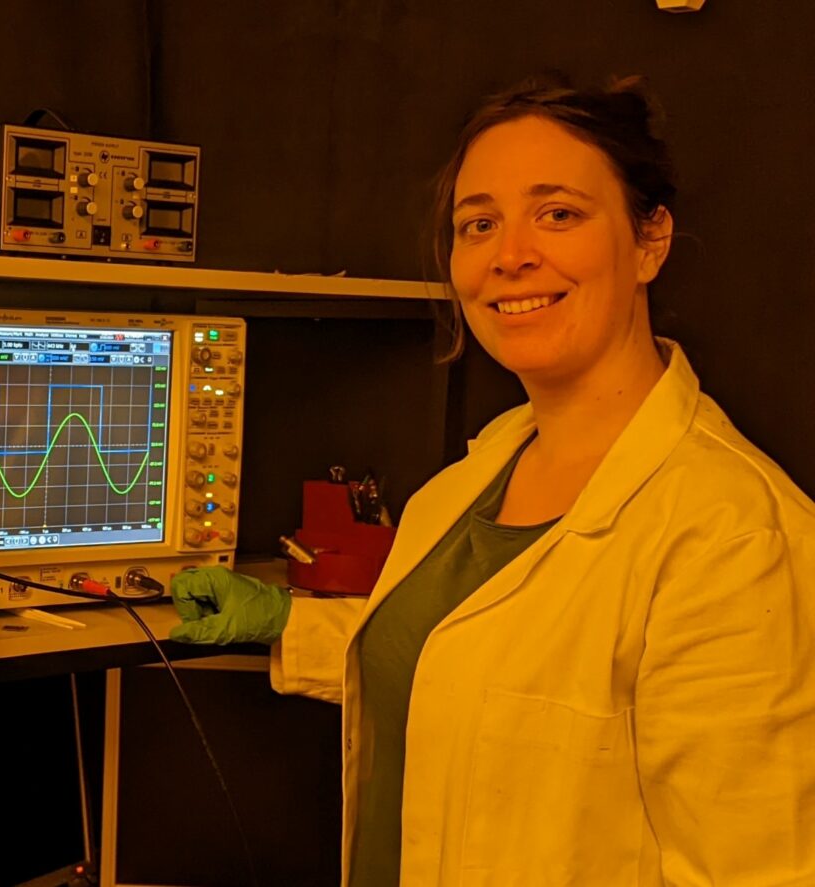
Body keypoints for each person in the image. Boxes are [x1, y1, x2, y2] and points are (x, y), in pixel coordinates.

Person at [168, 75, 815, 885]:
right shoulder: (469, 482)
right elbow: (485, 678)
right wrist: (289, 624)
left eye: (559, 214)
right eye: (480, 224)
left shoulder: (736, 537)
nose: (511, 256)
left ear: (650, 240)